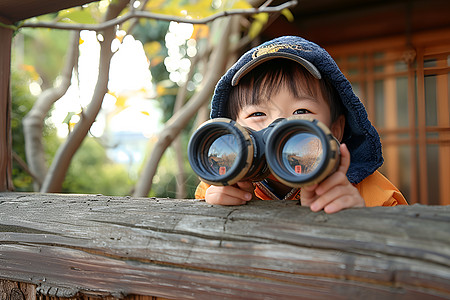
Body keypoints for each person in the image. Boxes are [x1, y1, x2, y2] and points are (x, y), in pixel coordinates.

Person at [194, 36, 408, 213]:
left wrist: (357, 217)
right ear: (233, 131)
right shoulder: (218, 189)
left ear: (335, 129)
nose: (277, 127)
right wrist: (215, 210)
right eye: (257, 113)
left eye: (301, 111)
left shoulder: (371, 193)